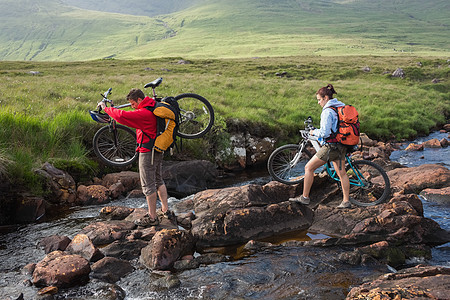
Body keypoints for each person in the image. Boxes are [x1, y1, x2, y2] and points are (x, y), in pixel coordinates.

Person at [98, 88, 172, 226]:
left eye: (133, 103)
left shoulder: (144, 113)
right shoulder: (152, 105)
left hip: (147, 151)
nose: (132, 106)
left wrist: (106, 109)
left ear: (139, 100)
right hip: (158, 148)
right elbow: (128, 114)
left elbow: (122, 116)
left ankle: (152, 218)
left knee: (148, 186)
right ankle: (165, 210)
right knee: (158, 180)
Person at [290, 84, 352, 208]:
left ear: (325, 98)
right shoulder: (339, 106)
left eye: (319, 99)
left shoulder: (328, 111)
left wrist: (313, 132)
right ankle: (346, 202)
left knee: (308, 168)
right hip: (341, 144)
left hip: (331, 147)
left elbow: (325, 133)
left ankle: (305, 198)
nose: (318, 102)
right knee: (342, 173)